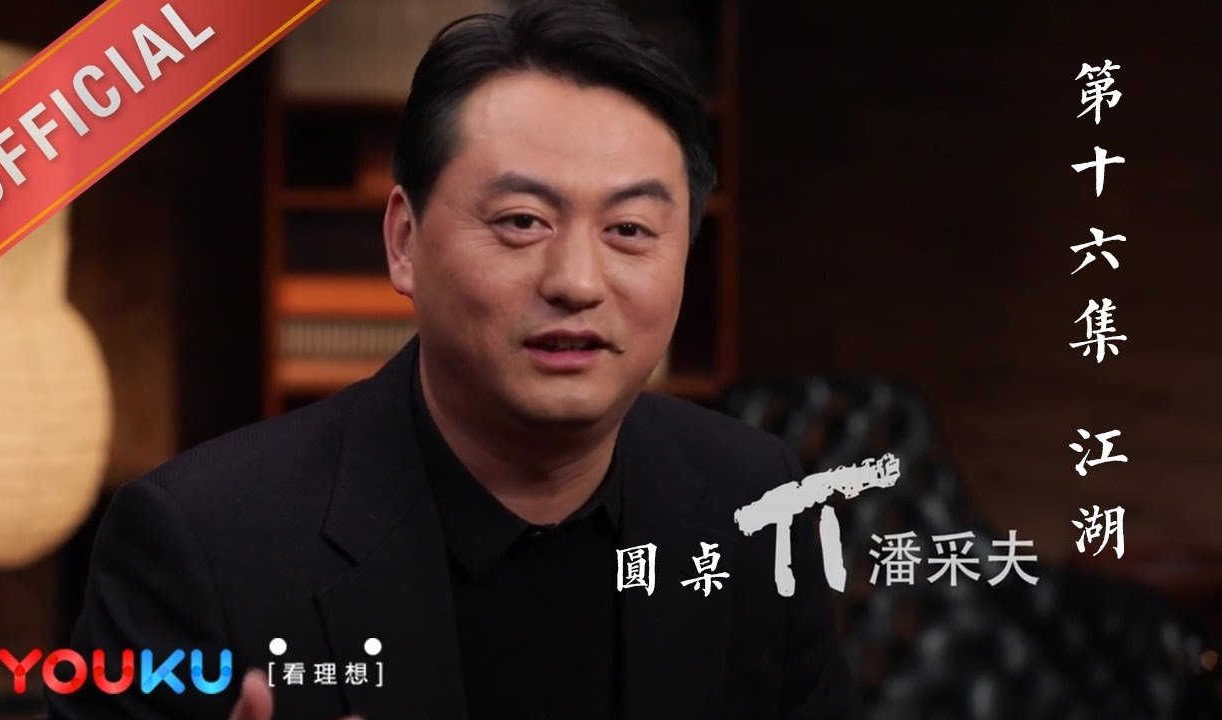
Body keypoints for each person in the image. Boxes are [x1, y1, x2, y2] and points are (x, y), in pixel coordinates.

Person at [45, 1, 862, 718]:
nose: (577, 282)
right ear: (404, 241)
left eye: (630, 231)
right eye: (521, 221)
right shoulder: (199, 540)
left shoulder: (753, 499)